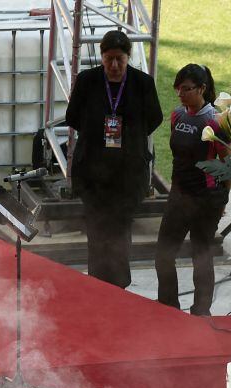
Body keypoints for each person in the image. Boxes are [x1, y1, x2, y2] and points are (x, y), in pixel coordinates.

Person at [65, 30, 163, 289]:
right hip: (93, 173)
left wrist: (129, 137)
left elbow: (154, 118)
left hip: (127, 174)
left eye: (120, 59)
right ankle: (97, 284)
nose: (115, 65)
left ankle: (119, 285)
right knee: (96, 229)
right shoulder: (87, 80)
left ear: (128, 57)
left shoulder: (142, 83)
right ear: (102, 57)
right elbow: (73, 116)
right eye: (109, 59)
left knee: (120, 229)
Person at [153, 64, 229, 314]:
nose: (180, 94)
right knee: (163, 254)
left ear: (202, 89)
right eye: (178, 89)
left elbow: (227, 164)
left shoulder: (215, 121)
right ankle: (168, 308)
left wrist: (222, 201)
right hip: (179, 195)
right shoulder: (177, 115)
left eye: (186, 89)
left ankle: (201, 312)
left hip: (206, 199)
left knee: (202, 257)